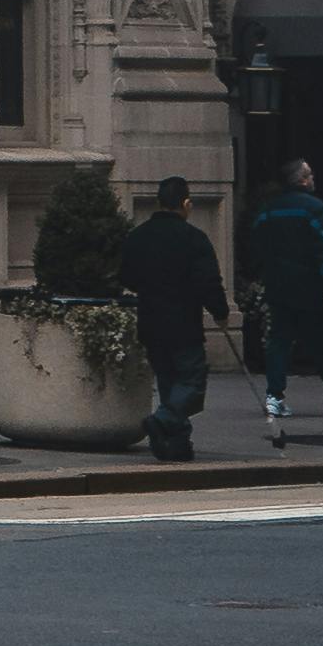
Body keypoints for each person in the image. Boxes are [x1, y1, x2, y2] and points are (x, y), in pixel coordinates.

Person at [241, 161, 323, 443]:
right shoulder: (315, 209)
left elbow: (256, 243)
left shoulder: (269, 210)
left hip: (278, 284)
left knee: (279, 340)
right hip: (310, 285)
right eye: (309, 174)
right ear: (301, 180)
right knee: (321, 341)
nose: (313, 178)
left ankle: (275, 395)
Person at [121, 173, 234, 463]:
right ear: (186, 204)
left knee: (170, 381)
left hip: (151, 320)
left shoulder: (138, 237)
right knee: (192, 381)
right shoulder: (193, 239)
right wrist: (221, 312)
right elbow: (208, 281)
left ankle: (176, 444)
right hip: (184, 321)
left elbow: (127, 277)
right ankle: (164, 419)